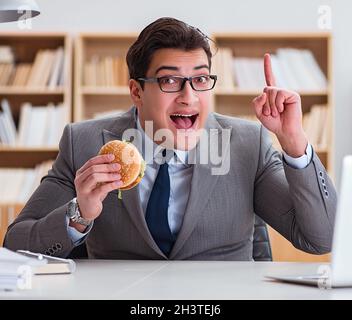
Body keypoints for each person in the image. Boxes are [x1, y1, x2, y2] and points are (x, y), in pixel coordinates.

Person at [4, 17, 336, 260]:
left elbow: (320, 238)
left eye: (201, 79)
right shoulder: (84, 142)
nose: (189, 98)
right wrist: (80, 214)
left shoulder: (248, 144)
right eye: (170, 81)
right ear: (136, 90)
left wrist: (294, 142)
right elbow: (15, 246)